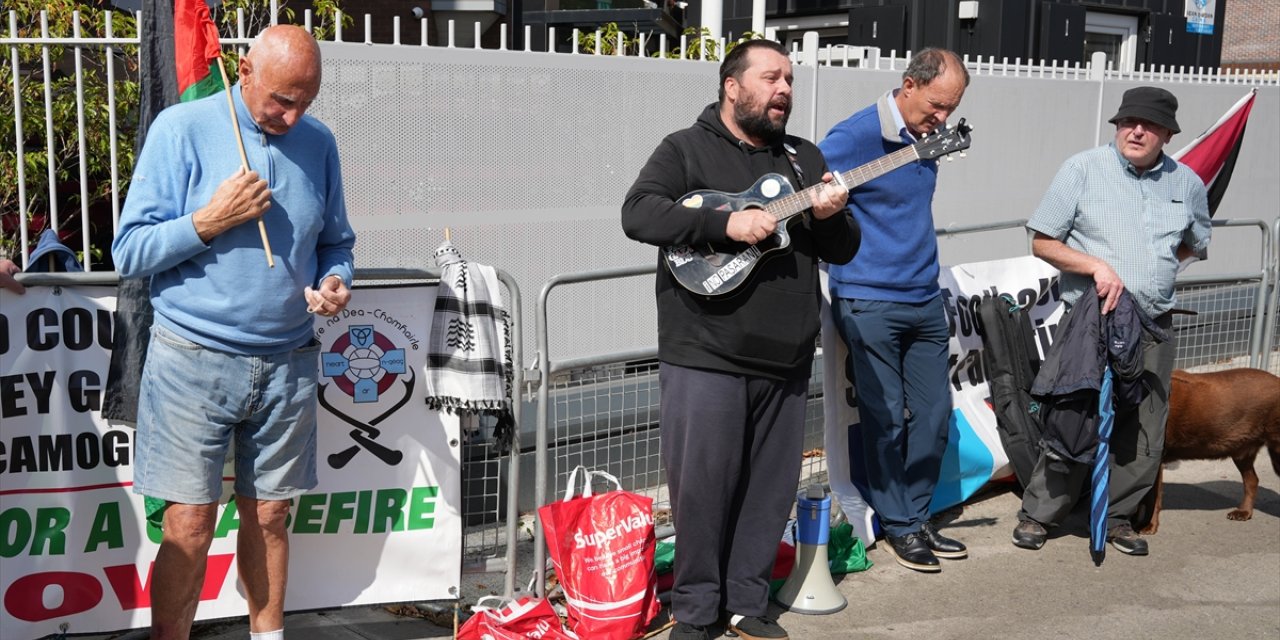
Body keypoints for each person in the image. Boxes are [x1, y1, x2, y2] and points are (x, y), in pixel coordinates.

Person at [111, 25, 355, 640]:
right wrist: (208, 221)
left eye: (306, 101)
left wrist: (335, 283)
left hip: (289, 358)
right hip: (192, 360)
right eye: (280, 100)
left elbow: (336, 244)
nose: (292, 116)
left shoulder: (317, 142)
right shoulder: (181, 128)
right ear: (243, 71)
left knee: (271, 515)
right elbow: (129, 251)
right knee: (188, 526)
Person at [622, 39, 859, 640]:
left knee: (768, 489)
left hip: (785, 356)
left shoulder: (805, 159)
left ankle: (747, 602)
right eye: (771, 78)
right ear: (732, 86)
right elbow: (639, 213)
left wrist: (831, 216)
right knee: (701, 490)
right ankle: (697, 612)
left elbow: (845, 249)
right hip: (705, 354)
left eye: (789, 80)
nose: (784, 90)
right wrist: (723, 224)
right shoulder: (685, 149)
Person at [1011, 86, 1211, 556]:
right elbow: (1042, 241)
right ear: (1118, 126)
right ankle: (1040, 514)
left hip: (1153, 325)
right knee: (1075, 419)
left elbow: (1194, 244)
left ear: (1166, 134)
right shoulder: (1082, 169)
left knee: (1144, 423)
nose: (1136, 131)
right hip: (1092, 322)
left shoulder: (1187, 184)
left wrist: (1152, 272)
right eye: (1128, 122)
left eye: (1149, 125)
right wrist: (1097, 266)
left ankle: (1119, 516)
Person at [816, 48, 970, 573]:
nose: (942, 118)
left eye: (951, 108)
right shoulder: (854, 136)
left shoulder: (927, 138)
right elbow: (812, 201)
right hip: (867, 298)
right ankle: (902, 526)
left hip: (924, 296)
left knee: (933, 415)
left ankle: (917, 514)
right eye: (935, 104)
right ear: (908, 85)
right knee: (886, 421)